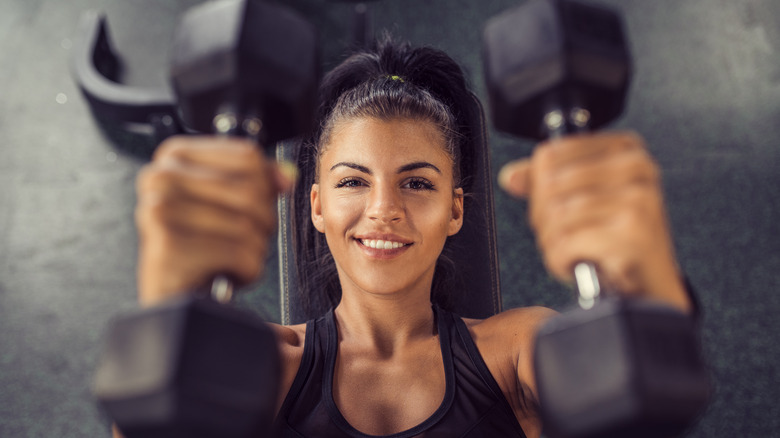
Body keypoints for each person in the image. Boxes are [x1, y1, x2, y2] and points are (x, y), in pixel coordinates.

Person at [131, 37, 694, 437]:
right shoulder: (262, 366)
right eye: (353, 180)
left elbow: (639, 412)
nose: (384, 210)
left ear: (455, 210)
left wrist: (648, 284)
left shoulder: (518, 351)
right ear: (317, 207)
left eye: (417, 183)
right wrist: (167, 304)